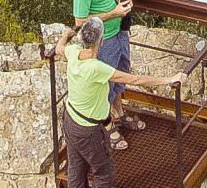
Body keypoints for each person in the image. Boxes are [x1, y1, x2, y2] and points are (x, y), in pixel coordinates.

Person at [55, 16, 186, 186]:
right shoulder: (97, 68)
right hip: (88, 130)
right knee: (103, 172)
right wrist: (169, 79)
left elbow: (59, 49)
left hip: (70, 119)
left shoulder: (73, 52)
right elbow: (135, 80)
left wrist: (65, 34)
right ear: (101, 42)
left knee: (76, 168)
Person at [72, 0, 138, 144]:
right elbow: (80, 21)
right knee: (105, 84)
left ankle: (119, 113)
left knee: (121, 72)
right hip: (102, 40)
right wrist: (113, 13)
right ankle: (106, 127)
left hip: (118, 31)